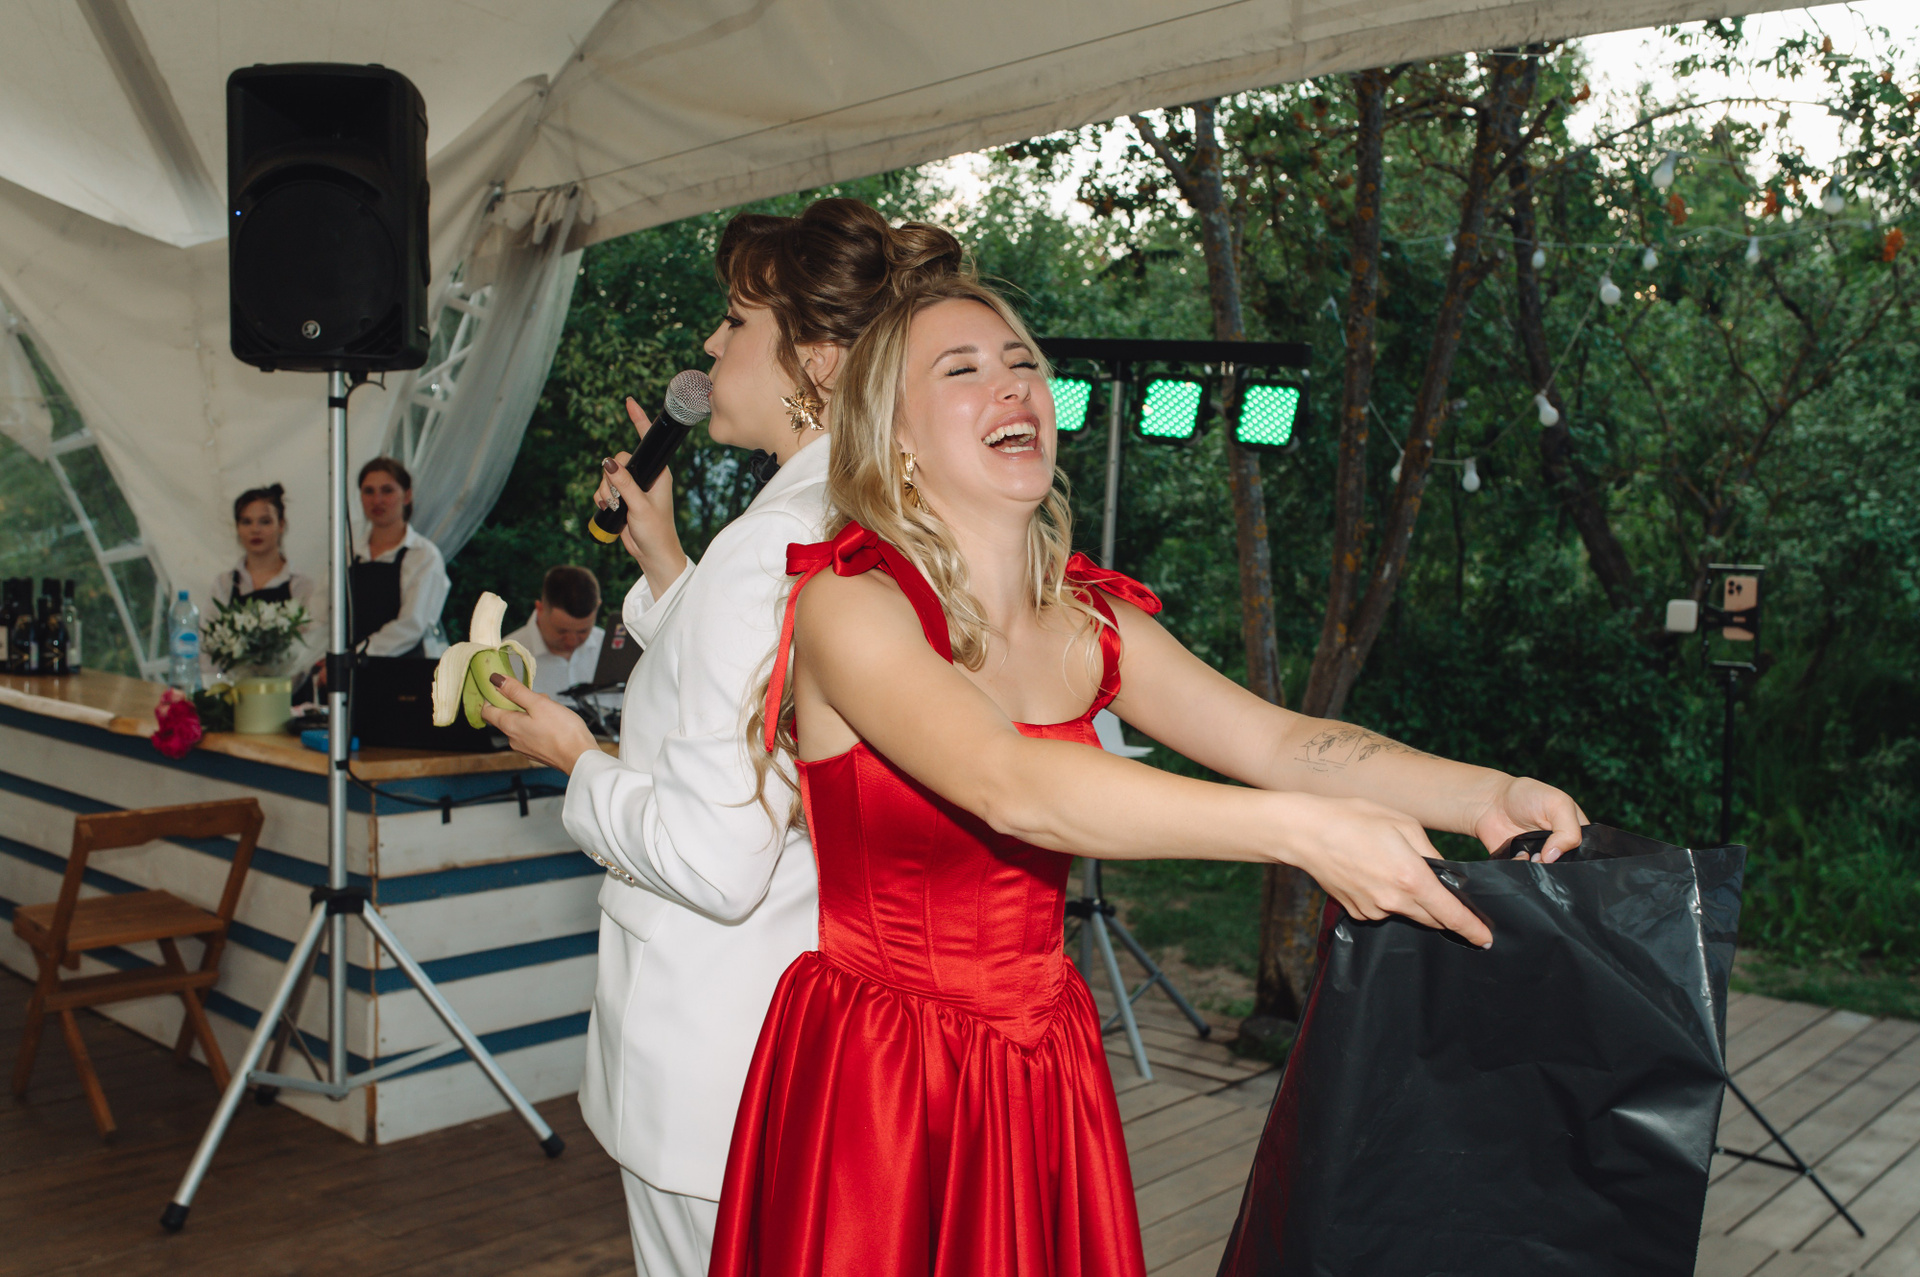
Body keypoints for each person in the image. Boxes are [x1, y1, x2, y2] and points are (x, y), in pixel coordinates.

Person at [686, 275, 1586, 1275]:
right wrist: (1300, 831)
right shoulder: (851, 603)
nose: (1012, 384)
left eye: (1022, 362)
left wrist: (1481, 793)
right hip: (887, 1071)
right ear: (894, 433)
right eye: (963, 369)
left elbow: (1279, 741)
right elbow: (1010, 782)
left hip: (1042, 1058)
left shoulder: (1089, 620)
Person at [475, 199, 970, 1275]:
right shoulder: (855, 514)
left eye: (738, 319)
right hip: (785, 1024)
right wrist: (663, 558)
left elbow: (715, 857)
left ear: (817, 359)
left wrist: (575, 757)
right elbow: (760, 698)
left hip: (706, 1044)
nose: (709, 342)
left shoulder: (774, 539)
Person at [206, 483, 324, 676]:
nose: (255, 530)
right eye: (246, 522)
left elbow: (309, 651)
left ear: (281, 525)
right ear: (237, 527)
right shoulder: (224, 584)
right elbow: (208, 650)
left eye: (265, 522)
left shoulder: (301, 586)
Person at [350, 456, 448, 659]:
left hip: (403, 668)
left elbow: (412, 625)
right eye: (369, 491)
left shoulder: (423, 555)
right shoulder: (348, 555)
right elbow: (323, 616)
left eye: (387, 490)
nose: (377, 500)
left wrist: (355, 656)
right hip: (348, 668)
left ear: (407, 496)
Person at [504, 565, 608, 697]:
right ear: (540, 609)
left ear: (597, 608)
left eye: (583, 631)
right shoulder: (508, 657)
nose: (572, 641)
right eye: (561, 631)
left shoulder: (610, 649)